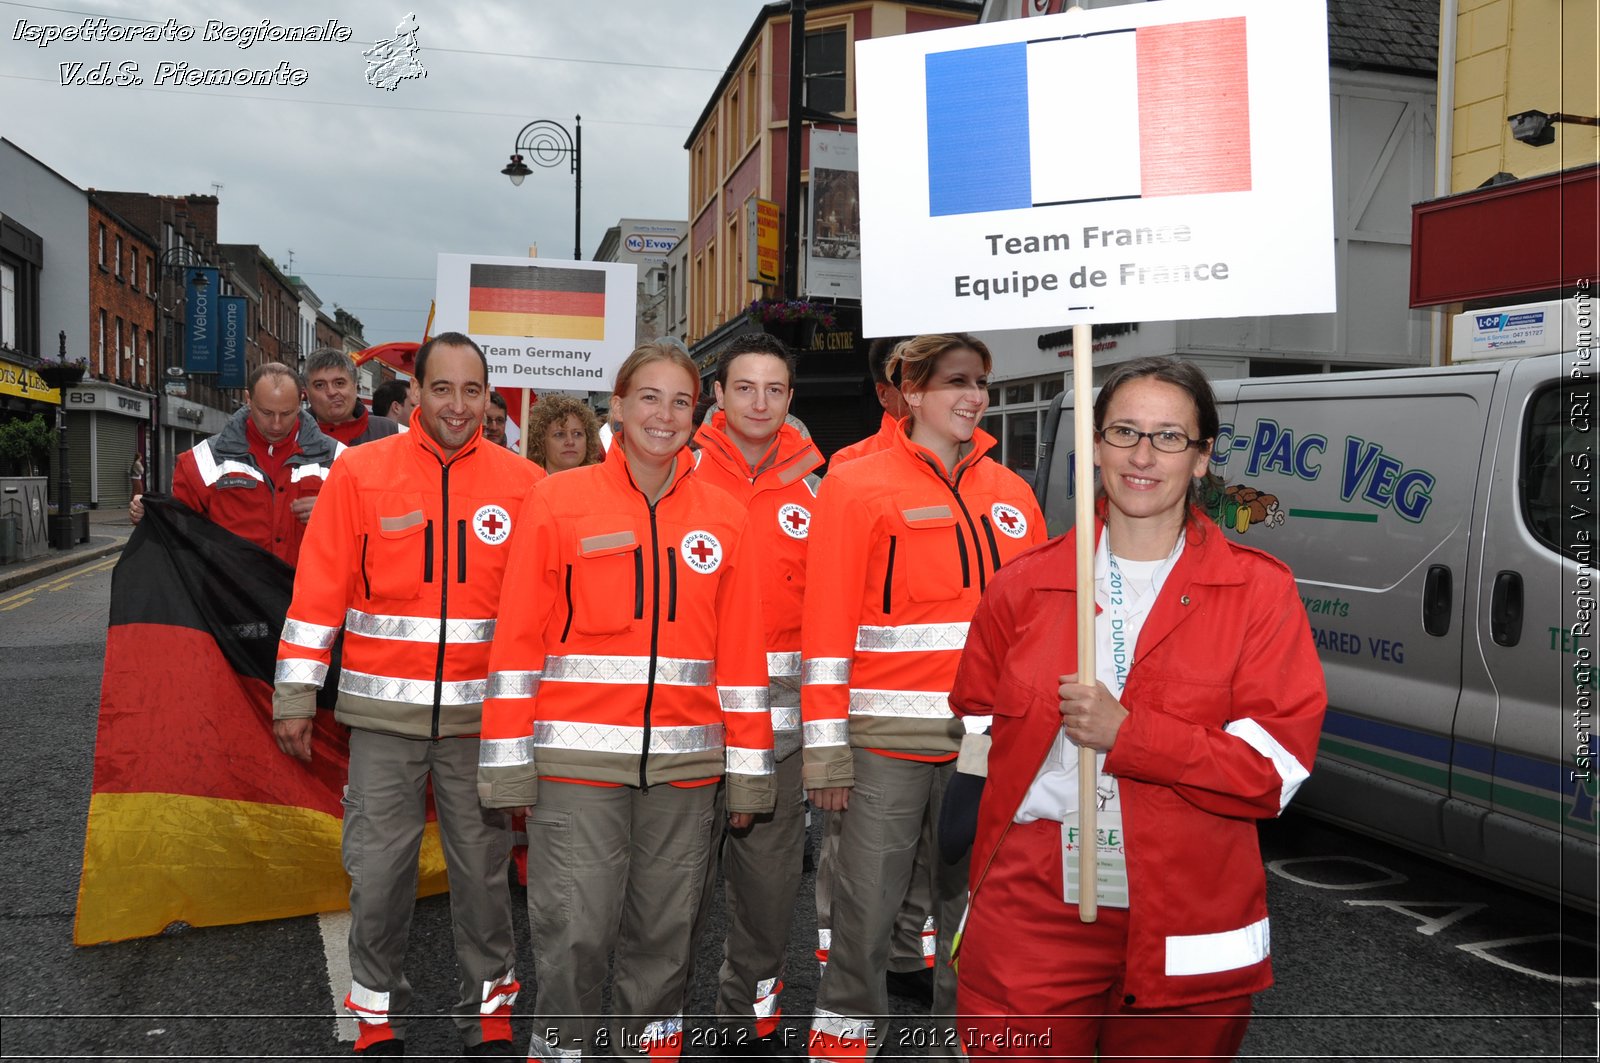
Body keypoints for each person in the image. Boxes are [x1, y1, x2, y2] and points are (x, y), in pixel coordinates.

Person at [948, 357, 1327, 1060]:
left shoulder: (1258, 594)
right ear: (1095, 445)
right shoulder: (1024, 586)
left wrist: (1132, 736)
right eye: (1124, 431)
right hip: (1035, 898)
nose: (1143, 455)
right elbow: (977, 717)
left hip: (1191, 901)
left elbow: (1271, 773)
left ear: (1204, 456)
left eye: (1169, 436)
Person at [478, 341, 775, 1063]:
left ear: (696, 414)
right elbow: (516, 643)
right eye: (649, 397)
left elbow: (741, 656)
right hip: (577, 770)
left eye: (680, 401)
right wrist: (507, 764)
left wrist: (751, 768)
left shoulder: (727, 515)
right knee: (573, 933)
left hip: (686, 773)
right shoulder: (557, 499)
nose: (664, 415)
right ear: (617, 405)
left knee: (665, 942)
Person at [272, 332, 545, 1057]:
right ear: (413, 393)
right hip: (383, 725)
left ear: (490, 399)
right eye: (443, 388)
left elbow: (542, 614)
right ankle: (373, 1016)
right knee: (380, 875)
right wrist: (295, 694)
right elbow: (318, 591)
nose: (458, 405)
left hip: (481, 724)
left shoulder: (525, 485)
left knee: (485, 883)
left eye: (473, 390)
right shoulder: (360, 474)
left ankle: (488, 1016)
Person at [801, 334, 1046, 1061]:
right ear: (910, 392)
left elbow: (1034, 627)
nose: (973, 397)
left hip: (984, 744)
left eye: (981, 383)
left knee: (974, 909)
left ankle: (962, 1041)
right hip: (882, 743)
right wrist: (825, 756)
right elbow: (825, 626)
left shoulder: (1013, 494)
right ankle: (844, 1044)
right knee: (866, 913)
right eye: (954, 383)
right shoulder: (855, 484)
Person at [687, 332, 823, 1046]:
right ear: (717, 394)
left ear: (790, 399)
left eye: (774, 389)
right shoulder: (677, 472)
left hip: (782, 736)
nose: (760, 402)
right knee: (675, 899)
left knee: (769, 896)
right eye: (744, 387)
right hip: (691, 729)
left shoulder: (816, 487)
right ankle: (656, 1022)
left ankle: (750, 1017)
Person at [818, 332, 939, 1007]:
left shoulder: (990, 481)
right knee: (858, 870)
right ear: (889, 390)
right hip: (878, 722)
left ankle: (905, 954)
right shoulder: (851, 471)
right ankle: (848, 976)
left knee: (935, 865)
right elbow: (831, 615)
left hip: (955, 729)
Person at [128, 362, 338, 568]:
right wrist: (152, 513)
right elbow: (182, 528)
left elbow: (366, 528)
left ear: (301, 400)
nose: (276, 424)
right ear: (248, 399)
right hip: (231, 597)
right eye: (266, 412)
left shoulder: (339, 459)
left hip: (309, 597)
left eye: (286, 413)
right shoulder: (203, 460)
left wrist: (334, 513)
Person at [828, 336, 910, 468]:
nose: (922, 392)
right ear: (883, 394)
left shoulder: (953, 453)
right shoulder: (848, 463)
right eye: (907, 385)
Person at [304, 348, 401, 447]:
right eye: (320, 385)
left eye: (339, 383)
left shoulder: (387, 431)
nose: (331, 392)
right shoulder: (293, 434)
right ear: (307, 392)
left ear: (355, 387)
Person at [524, 394, 603, 476]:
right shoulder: (526, 485)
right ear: (540, 441)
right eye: (559, 434)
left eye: (577, 434)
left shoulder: (602, 485)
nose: (570, 442)